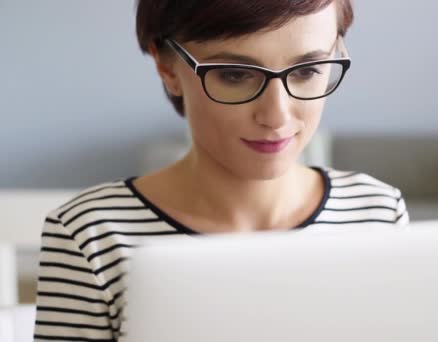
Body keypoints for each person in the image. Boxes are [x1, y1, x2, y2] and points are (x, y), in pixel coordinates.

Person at [33, 1, 409, 340]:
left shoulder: (378, 212)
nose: (276, 115)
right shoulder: (91, 234)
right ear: (167, 67)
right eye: (234, 74)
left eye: (308, 70)